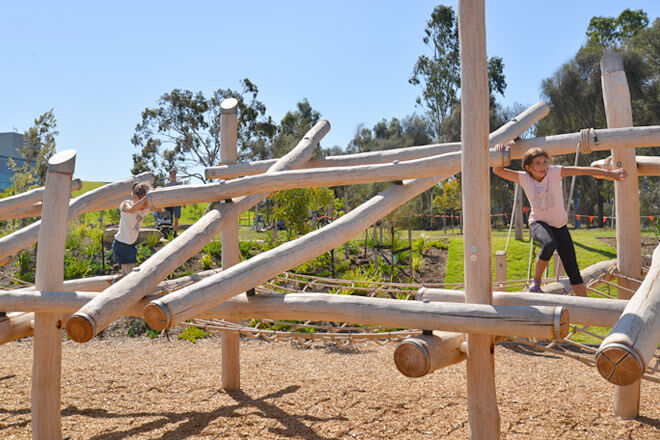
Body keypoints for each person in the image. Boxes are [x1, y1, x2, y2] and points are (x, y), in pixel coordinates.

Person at [493, 145, 627, 296]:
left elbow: (582, 170)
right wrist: (500, 154)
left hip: (560, 227)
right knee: (549, 243)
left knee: (573, 271)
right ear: (528, 167)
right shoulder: (523, 177)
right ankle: (536, 282)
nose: (543, 166)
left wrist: (610, 174)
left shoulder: (554, 172)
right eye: (538, 163)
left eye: (544, 162)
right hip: (538, 223)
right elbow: (498, 170)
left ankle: (586, 304)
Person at [112, 182, 154, 276]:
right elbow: (131, 210)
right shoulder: (126, 204)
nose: (145, 206)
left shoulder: (142, 210)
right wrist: (146, 197)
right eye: (144, 203)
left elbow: (159, 208)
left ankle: (120, 289)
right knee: (132, 276)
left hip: (131, 246)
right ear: (135, 198)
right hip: (121, 246)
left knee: (126, 275)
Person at [165, 168, 183, 234]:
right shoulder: (167, 185)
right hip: (169, 203)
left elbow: (181, 194)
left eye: (174, 173)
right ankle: (167, 233)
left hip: (177, 203)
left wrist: (183, 203)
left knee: (176, 219)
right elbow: (165, 195)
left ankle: (175, 233)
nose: (173, 175)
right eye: (172, 173)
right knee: (168, 219)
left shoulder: (179, 184)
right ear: (170, 175)